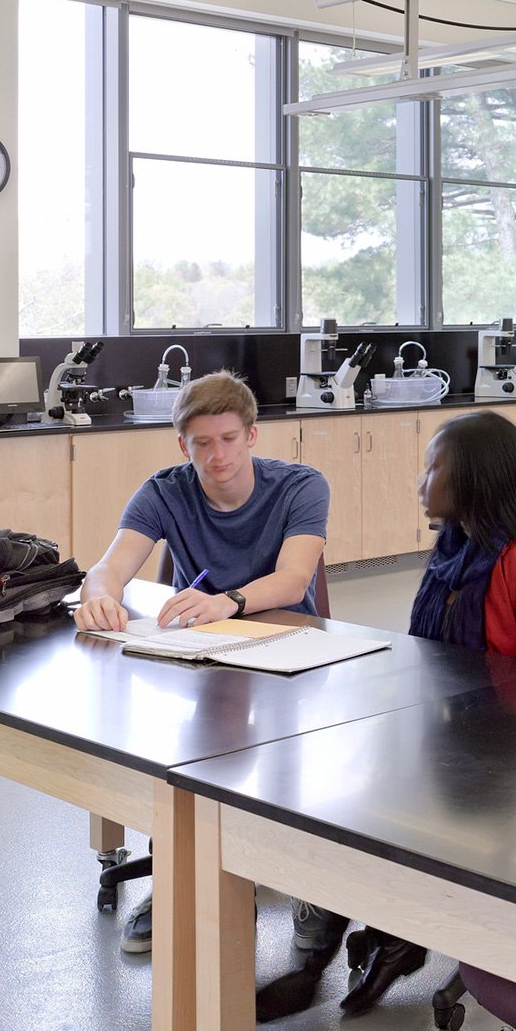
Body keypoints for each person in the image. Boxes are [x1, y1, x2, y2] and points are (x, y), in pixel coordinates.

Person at [332, 411, 516, 1016]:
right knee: (346, 782)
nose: (421, 481)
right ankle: (387, 931)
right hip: (449, 729)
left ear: (472, 476)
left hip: (511, 752)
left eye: (432, 468)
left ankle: (397, 933)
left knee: (379, 793)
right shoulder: (453, 548)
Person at [74, 372, 330, 958]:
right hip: (203, 656)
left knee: (291, 766)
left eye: (229, 439)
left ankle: (311, 889)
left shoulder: (301, 486)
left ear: (252, 435)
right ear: (182, 446)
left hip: (287, 648)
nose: (218, 456)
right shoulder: (164, 491)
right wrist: (99, 595)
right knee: (178, 764)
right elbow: (110, 566)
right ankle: (175, 879)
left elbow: (295, 579)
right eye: (202, 444)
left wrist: (227, 601)